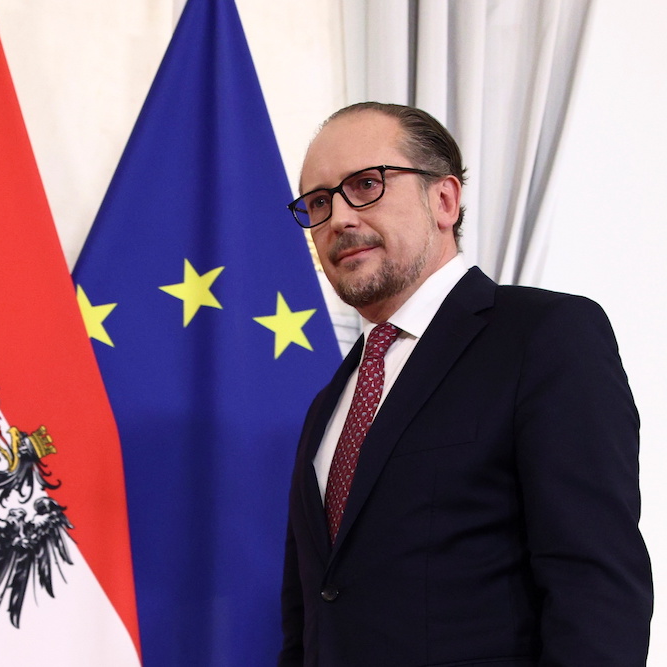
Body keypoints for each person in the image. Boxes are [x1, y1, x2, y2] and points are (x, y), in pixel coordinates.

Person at [278, 102, 652, 666]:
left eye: (366, 184)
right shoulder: (328, 403)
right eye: (319, 201)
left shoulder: (544, 337)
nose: (339, 219)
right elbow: (310, 614)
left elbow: (596, 585)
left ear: (445, 200)